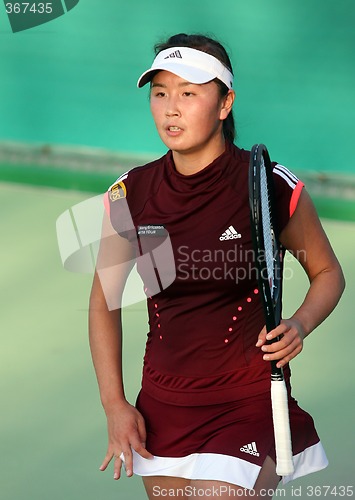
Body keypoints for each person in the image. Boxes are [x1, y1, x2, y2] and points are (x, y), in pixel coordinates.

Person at [88, 33, 345, 499]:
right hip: (163, 407)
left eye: (188, 94)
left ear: (225, 103)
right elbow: (104, 301)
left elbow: (328, 273)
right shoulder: (128, 195)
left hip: (249, 401)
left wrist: (300, 325)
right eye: (160, 93)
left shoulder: (270, 186)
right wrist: (114, 403)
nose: (171, 108)